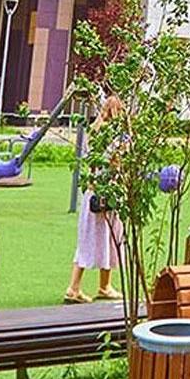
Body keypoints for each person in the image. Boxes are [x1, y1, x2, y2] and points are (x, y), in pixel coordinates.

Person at [65, 95, 125, 304]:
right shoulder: (115, 136)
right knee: (109, 237)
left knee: (92, 239)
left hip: (92, 191)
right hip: (108, 191)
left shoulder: (94, 131)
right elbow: (116, 163)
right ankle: (78, 288)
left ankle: (100, 286)